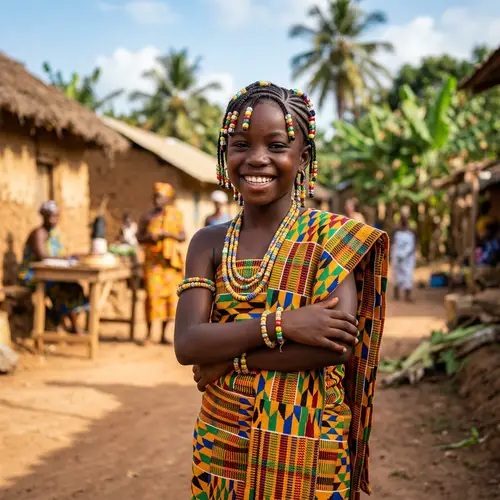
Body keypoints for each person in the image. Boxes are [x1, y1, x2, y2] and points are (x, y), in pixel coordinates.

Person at [174, 82, 389, 500]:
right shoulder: (208, 242)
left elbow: (334, 346)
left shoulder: (329, 239)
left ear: (302, 158)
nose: (257, 158)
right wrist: (286, 323)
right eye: (241, 144)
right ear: (226, 154)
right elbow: (188, 343)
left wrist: (230, 360)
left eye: (276, 145)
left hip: (310, 442)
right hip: (223, 439)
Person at [18, 201, 88, 334]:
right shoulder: (38, 233)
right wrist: (65, 259)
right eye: (51, 216)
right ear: (44, 216)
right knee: (63, 289)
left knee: (75, 287)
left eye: (56, 216)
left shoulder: (53, 235)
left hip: (50, 274)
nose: (54, 220)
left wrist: (70, 257)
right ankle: (58, 319)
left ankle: (68, 322)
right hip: (32, 275)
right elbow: (43, 256)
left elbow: (55, 256)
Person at [137, 183, 186, 345]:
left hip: (169, 265)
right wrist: (149, 238)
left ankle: (164, 335)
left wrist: (167, 235)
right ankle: (149, 334)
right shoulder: (147, 217)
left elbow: (183, 236)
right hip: (153, 264)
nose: (157, 200)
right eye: (156, 197)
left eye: (161, 197)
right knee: (152, 298)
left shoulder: (175, 216)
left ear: (167, 200)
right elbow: (139, 237)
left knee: (169, 301)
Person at [391, 214, 416, 302]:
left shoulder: (411, 232)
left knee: (408, 276)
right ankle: (396, 295)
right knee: (396, 276)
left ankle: (407, 296)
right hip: (397, 256)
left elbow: (412, 246)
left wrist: (405, 254)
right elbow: (393, 244)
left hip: (408, 259)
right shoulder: (396, 231)